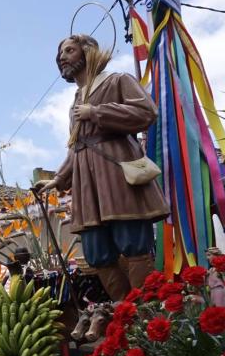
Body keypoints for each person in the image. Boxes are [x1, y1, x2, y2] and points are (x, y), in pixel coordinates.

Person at [37, 34, 168, 301]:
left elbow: (147, 112)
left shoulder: (117, 81)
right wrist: (58, 179)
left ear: (88, 52)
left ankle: (146, 312)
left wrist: (97, 113)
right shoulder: (75, 100)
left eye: (70, 51)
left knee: (133, 242)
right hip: (87, 187)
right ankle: (123, 311)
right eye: (61, 53)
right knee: (97, 251)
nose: (62, 57)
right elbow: (77, 147)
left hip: (115, 176)